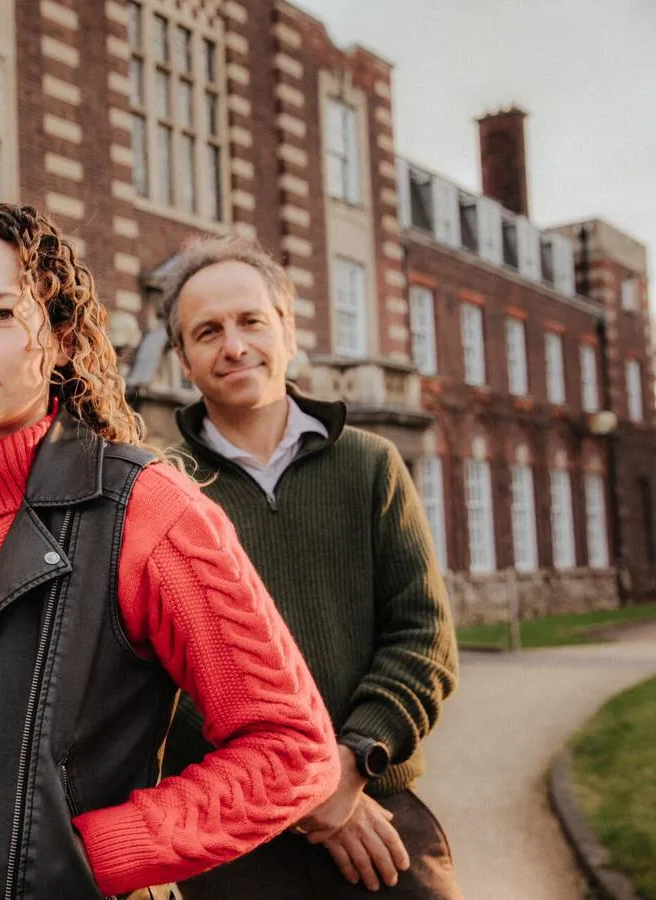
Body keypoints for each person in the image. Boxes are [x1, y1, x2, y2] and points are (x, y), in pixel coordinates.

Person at [0, 203, 340, 900]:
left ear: (60, 338)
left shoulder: (149, 512)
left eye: (0, 313)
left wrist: (88, 856)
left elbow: (291, 749)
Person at [157, 236, 461, 898]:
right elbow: (160, 681)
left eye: (250, 321)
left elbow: (423, 639)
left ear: (289, 331)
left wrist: (350, 766)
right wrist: (296, 792)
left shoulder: (371, 465)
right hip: (240, 843)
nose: (233, 345)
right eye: (207, 331)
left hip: (381, 815)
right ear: (183, 359)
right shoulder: (157, 491)